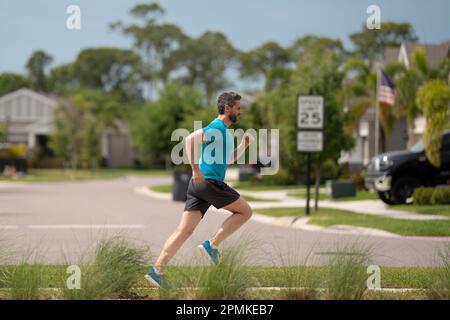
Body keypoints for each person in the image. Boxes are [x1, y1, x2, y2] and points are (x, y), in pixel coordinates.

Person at [145, 92, 254, 288]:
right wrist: (195, 169)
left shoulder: (224, 132)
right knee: (245, 211)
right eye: (238, 108)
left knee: (184, 230)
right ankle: (212, 244)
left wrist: (244, 146)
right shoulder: (217, 127)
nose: (240, 112)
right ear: (227, 108)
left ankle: (157, 271)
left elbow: (228, 160)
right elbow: (189, 140)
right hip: (210, 182)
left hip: (199, 186)